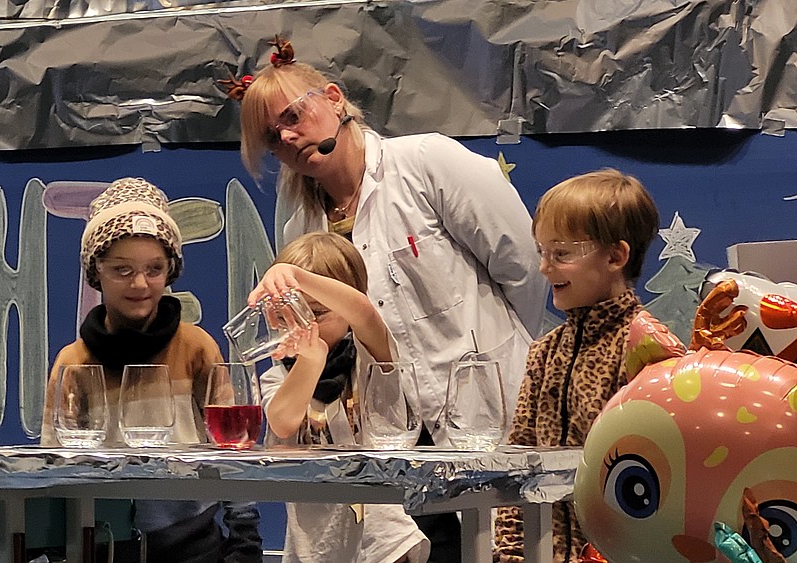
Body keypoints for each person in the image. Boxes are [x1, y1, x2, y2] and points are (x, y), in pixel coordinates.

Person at [230, 36, 548, 560]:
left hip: (484, 419)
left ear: (334, 98)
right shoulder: (298, 223)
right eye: (271, 136)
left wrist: (498, 358)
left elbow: (524, 270)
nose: (287, 136)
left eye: (293, 114)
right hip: (389, 446)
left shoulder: (427, 162)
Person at [40, 177, 263, 563]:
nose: (140, 283)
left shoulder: (197, 348)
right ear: (96, 272)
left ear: (170, 270)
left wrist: (245, 540)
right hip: (101, 547)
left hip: (195, 548)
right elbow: (55, 466)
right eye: (122, 270)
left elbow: (232, 454)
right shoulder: (73, 363)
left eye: (154, 269)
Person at [493, 169, 661, 562]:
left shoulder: (648, 349)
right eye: (542, 252)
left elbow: (663, 482)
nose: (544, 268)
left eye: (561, 254)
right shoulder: (545, 352)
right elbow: (519, 462)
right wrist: (509, 552)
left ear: (616, 256)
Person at [250, 231, 430, 563]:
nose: (303, 324)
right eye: (289, 312)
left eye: (317, 312)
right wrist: (312, 359)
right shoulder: (277, 374)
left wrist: (297, 278)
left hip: (383, 546)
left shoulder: (370, 357)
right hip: (310, 550)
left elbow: (363, 311)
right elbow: (284, 422)